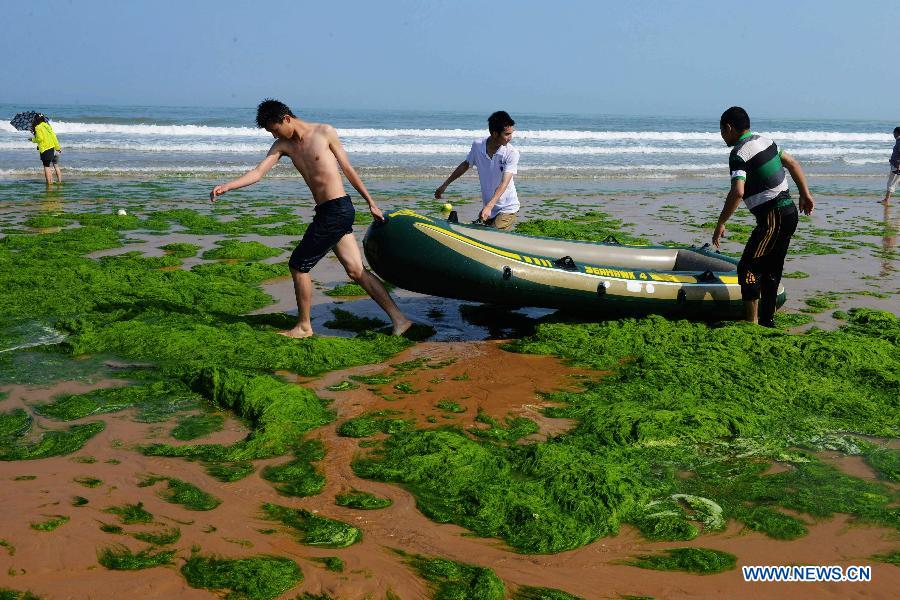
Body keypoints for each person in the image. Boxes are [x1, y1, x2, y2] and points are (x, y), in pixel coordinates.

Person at [210, 99, 412, 338]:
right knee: (357, 271)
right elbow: (258, 172)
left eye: (274, 129)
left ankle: (304, 326)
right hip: (328, 212)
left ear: (286, 118)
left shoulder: (324, 132)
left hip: (338, 209)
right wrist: (228, 186)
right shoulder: (283, 145)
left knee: (298, 266)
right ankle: (401, 320)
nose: (274, 134)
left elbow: (347, 168)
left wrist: (371, 203)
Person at [714, 106, 815, 327]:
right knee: (772, 268)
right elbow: (793, 163)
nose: (722, 136)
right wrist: (805, 194)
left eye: (722, 130)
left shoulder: (739, 153)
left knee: (748, 268)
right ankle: (767, 321)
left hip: (773, 216)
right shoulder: (766, 140)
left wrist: (721, 222)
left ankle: (752, 322)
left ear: (729, 127)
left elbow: (738, 191)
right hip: (788, 212)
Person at [435, 111, 520, 229]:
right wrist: (445, 185)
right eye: (507, 134)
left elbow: (504, 183)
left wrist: (489, 206)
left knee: (492, 237)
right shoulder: (478, 145)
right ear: (495, 134)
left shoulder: (511, 153)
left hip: (507, 208)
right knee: (478, 232)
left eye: (511, 133)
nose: (510, 138)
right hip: (489, 207)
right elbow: (465, 165)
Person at [30, 114, 62, 185]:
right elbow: (54, 137)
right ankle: (56, 182)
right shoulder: (47, 126)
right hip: (52, 147)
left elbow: (40, 139)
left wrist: (32, 139)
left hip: (45, 149)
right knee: (53, 165)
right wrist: (57, 147)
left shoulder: (38, 127)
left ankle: (49, 184)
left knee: (46, 167)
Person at [882, 126, 900, 204]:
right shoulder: (898, 141)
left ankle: (887, 199)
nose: (893, 134)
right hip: (896, 164)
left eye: (894, 133)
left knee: (891, 182)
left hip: (897, 165)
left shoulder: (899, 141)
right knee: (898, 182)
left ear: (896, 133)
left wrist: (898, 164)